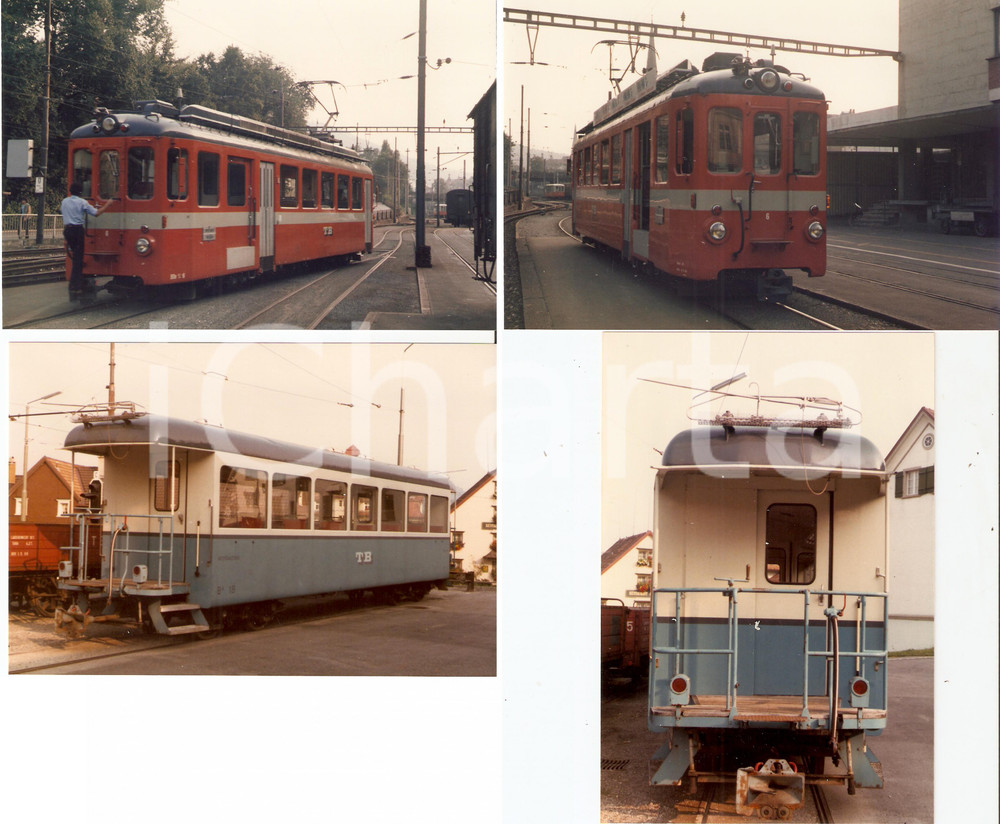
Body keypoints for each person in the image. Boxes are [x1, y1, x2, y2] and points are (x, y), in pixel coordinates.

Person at [61, 182, 110, 299]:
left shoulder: (64, 201)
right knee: (78, 259)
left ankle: (75, 286)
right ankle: (75, 287)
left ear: (70, 191)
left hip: (67, 230)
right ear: (80, 192)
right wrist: (108, 204)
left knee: (75, 258)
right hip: (77, 231)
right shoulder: (82, 202)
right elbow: (96, 213)